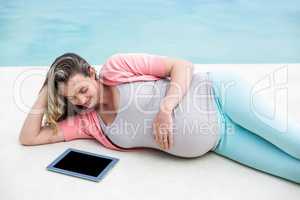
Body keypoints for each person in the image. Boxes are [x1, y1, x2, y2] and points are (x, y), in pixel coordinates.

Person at [19, 53, 300, 184]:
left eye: (81, 90)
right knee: (291, 172)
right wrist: (46, 89)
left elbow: (182, 65)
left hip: (220, 95)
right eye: (72, 98)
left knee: (295, 143)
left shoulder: (118, 68)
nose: (81, 101)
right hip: (220, 141)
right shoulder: (89, 123)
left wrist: (166, 108)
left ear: (92, 73)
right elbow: (30, 137)